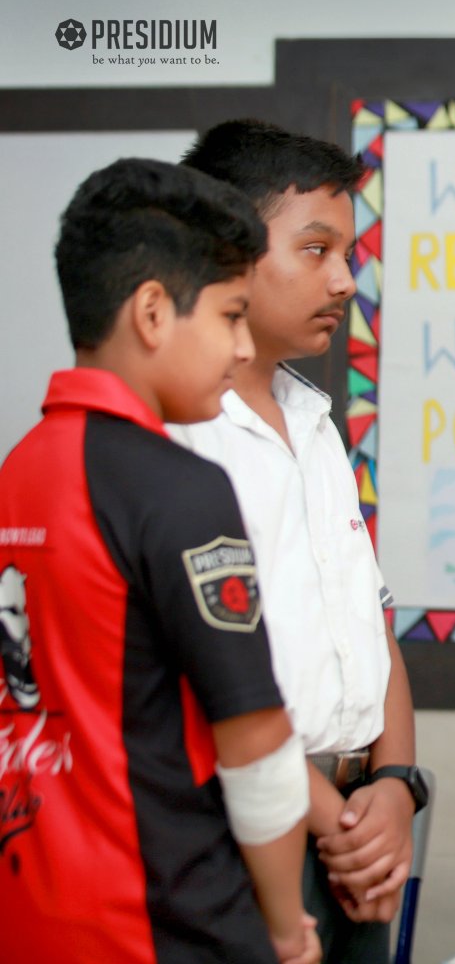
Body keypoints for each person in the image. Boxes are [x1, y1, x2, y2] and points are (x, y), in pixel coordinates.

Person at [0, 158, 318, 963]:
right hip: (163, 920)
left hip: (30, 909)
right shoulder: (181, 489)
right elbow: (256, 747)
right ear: (151, 312)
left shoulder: (18, 470)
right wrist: (284, 927)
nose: (242, 345)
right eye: (230, 316)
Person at [172, 120, 423, 961]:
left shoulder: (316, 421)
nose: (345, 280)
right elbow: (193, 675)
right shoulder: (184, 438)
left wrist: (394, 786)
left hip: (360, 826)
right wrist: (341, 820)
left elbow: (368, 622)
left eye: (347, 253)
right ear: (226, 245)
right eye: (315, 250)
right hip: (247, 822)